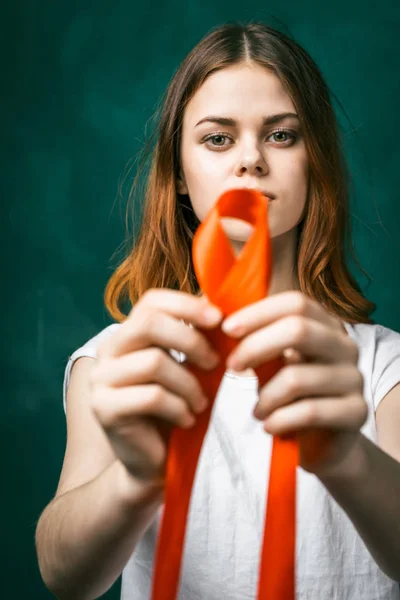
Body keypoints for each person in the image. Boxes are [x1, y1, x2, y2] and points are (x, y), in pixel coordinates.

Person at [35, 21, 400, 600]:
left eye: (281, 136)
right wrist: (137, 479)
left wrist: (347, 456)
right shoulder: (116, 361)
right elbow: (62, 575)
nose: (251, 159)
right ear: (178, 173)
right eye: (218, 139)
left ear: (316, 163)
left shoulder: (385, 365)